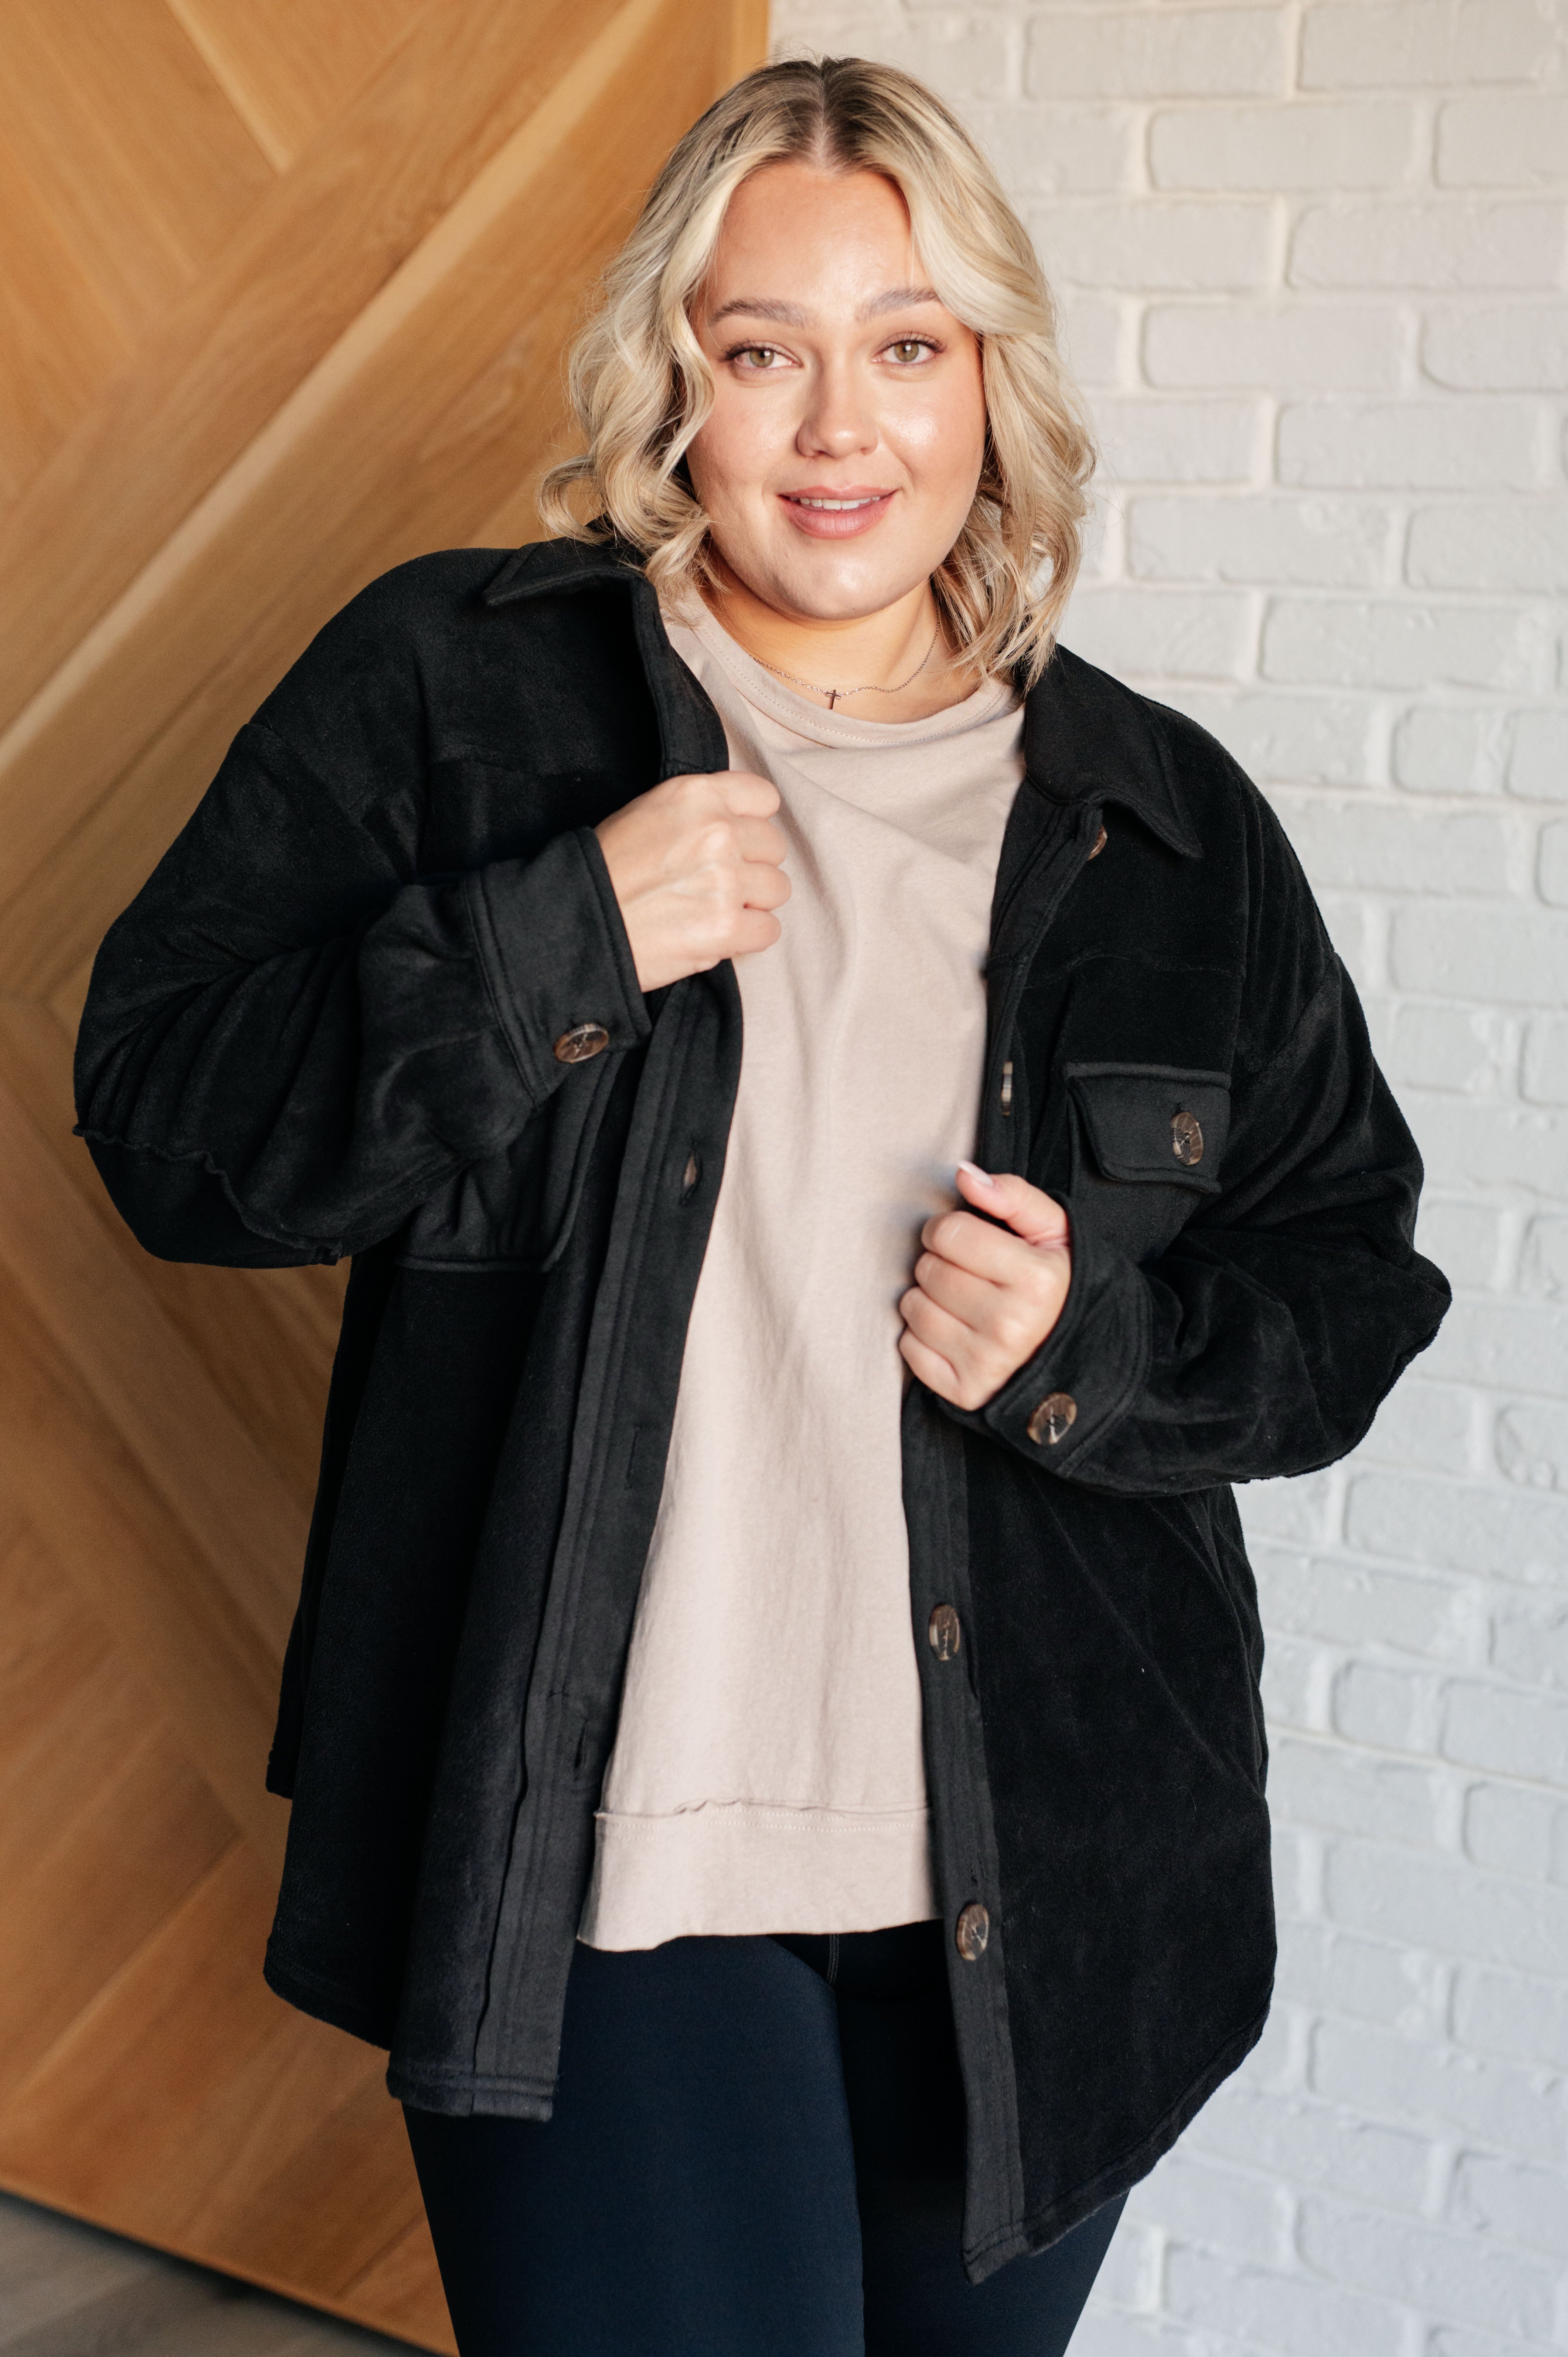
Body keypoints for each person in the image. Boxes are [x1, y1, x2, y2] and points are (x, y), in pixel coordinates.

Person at [75, 55, 1450, 2357]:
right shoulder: (464, 694)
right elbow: (167, 1123)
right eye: (762, 346)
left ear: (994, 382)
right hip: (609, 1861)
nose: (840, 426)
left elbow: (1348, 1276)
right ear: (672, 378)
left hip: (1052, 1874)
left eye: (908, 345)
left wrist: (1094, 1361)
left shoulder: (1165, 824)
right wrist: (545, 944)